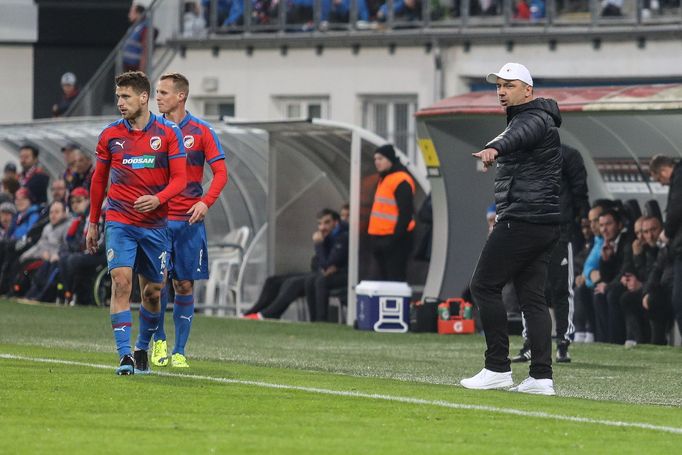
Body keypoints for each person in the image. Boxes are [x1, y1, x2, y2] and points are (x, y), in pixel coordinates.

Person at [461, 62, 561, 396]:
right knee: (532, 298)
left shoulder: (532, 118)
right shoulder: (531, 118)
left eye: (509, 85)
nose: (501, 91)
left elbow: (518, 135)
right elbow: (513, 136)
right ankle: (541, 378)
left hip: (522, 219)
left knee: (483, 285)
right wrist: (495, 146)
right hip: (542, 222)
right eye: (498, 86)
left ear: (528, 90)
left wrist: (495, 149)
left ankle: (497, 368)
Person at [86, 71, 187, 375]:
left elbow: (181, 179)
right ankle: (124, 356)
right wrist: (93, 222)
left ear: (143, 98)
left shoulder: (169, 133)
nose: (120, 102)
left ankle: (142, 346)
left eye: (126, 96)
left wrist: (158, 199)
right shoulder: (110, 135)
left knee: (153, 293)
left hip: (155, 226)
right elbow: (99, 179)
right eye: (118, 96)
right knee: (120, 281)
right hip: (120, 220)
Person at [150, 72, 228, 369]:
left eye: (163, 92)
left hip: (188, 222)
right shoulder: (150, 131)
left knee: (184, 285)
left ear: (181, 96)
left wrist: (205, 202)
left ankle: (180, 350)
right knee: (156, 285)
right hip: (158, 221)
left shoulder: (202, 131)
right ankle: (158, 341)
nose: (157, 98)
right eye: (156, 92)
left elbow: (221, 173)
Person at [512, 144, 589, 363]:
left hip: (559, 229)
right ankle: (531, 343)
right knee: (531, 288)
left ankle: (562, 343)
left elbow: (579, 190)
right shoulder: (527, 153)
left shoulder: (568, 154)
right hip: (531, 227)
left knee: (561, 289)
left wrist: (581, 222)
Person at [244, 208, 348, 321]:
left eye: (326, 223)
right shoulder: (327, 238)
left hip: (330, 277)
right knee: (273, 281)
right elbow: (316, 263)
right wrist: (323, 263)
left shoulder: (342, 238)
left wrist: (319, 245)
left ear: (336, 222)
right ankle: (253, 312)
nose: (322, 227)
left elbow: (327, 264)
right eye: (320, 223)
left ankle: (268, 314)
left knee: (293, 283)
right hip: (318, 273)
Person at [368, 144, 415, 282]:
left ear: (390, 159)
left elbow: (405, 214)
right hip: (381, 238)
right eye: (375, 159)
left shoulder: (400, 180)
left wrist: (393, 239)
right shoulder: (385, 178)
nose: (377, 162)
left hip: (395, 240)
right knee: (384, 280)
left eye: (380, 158)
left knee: (395, 279)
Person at [649, 154, 682, 339]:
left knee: (679, 301)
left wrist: (667, 233)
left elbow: (677, 208)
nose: (661, 184)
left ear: (663, 170)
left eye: (659, 179)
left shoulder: (679, 177)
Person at [122, 4, 151, 72]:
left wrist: (141, 70)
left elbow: (145, 49)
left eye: (131, 12)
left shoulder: (144, 28)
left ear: (138, 14)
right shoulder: (134, 27)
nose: (129, 15)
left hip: (135, 68)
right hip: (127, 67)